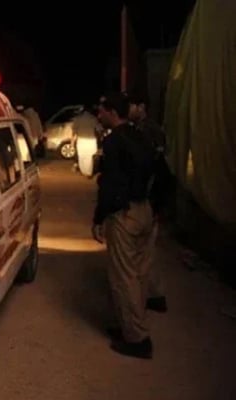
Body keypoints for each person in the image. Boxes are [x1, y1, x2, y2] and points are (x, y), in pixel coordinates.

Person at [92, 92, 157, 359]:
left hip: (125, 213)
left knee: (123, 277)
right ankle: (131, 326)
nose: (98, 115)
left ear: (112, 113)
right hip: (145, 210)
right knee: (139, 274)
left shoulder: (114, 142)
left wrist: (99, 218)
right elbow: (159, 171)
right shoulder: (141, 136)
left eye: (102, 111)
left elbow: (110, 185)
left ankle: (137, 339)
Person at [129, 95, 169, 313]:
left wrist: (154, 203)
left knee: (141, 254)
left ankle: (145, 299)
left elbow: (156, 170)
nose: (129, 109)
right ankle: (154, 295)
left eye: (132, 105)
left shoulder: (148, 132)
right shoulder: (142, 129)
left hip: (149, 199)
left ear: (142, 106)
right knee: (146, 254)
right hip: (151, 199)